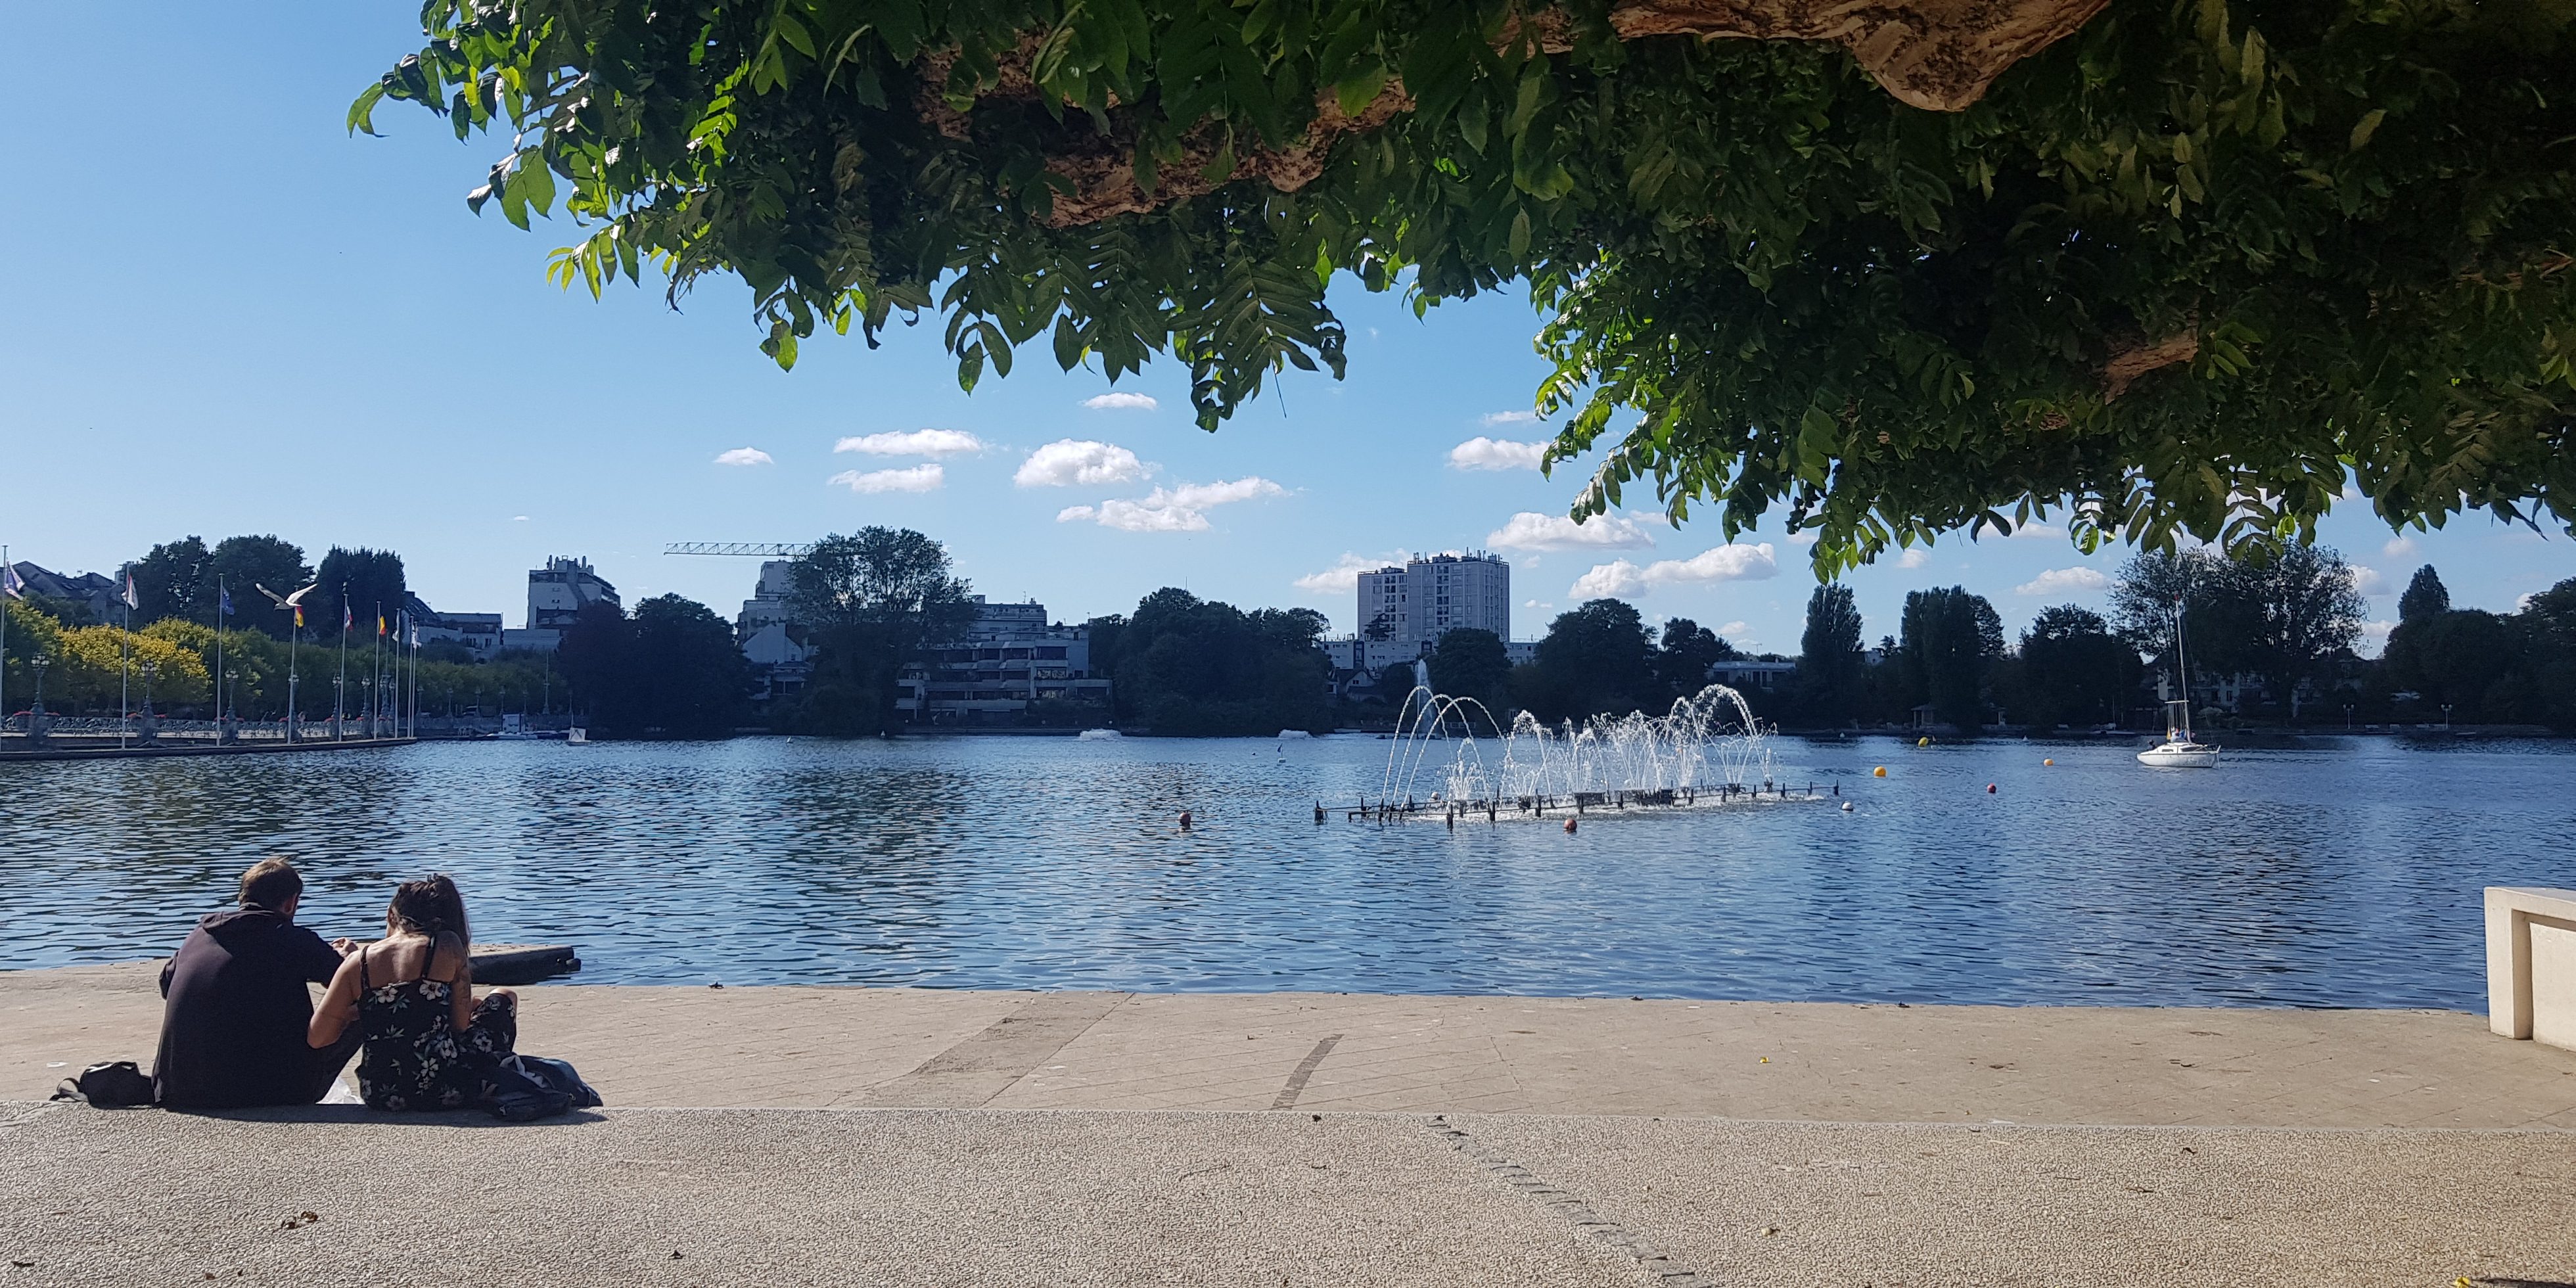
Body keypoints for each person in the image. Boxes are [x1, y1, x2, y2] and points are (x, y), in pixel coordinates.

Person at [307, 875, 529, 1112]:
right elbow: (459, 1026)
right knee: (504, 997)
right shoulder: (447, 946)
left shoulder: (357, 963)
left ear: (392, 915)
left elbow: (318, 1037)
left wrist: (365, 1009)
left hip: (381, 1092)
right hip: (445, 1087)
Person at [154, 858, 363, 1110]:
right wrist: (350, 959)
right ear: (290, 903)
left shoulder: (200, 935)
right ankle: (392, 1084)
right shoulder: (292, 939)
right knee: (372, 1005)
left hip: (180, 1090)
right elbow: (353, 985)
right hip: (268, 1092)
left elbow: (167, 984)